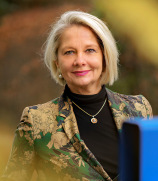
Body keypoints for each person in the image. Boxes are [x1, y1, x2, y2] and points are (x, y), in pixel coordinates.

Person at [1, 10, 153, 181]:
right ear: (57, 62)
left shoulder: (139, 108)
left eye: (89, 50)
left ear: (105, 56)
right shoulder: (35, 122)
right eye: (69, 52)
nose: (80, 60)